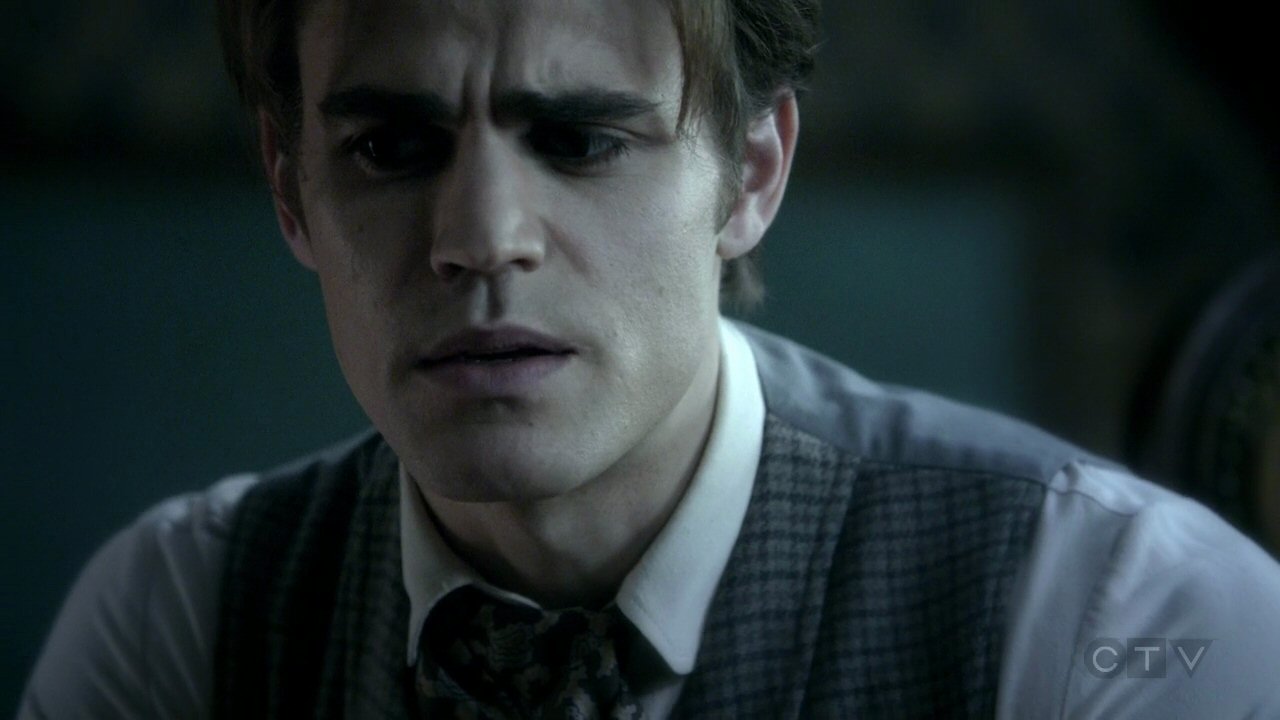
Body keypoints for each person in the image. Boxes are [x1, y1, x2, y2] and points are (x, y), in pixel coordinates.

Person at [17, 0, 1280, 717]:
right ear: (291, 191)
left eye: (579, 141)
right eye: (392, 150)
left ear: (750, 175)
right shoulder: (183, 622)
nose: (482, 239)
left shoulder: (1114, 612)